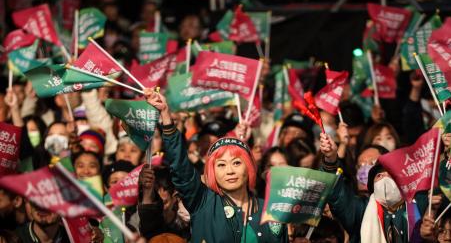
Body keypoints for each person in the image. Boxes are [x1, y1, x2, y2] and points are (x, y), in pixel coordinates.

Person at [144, 88, 288, 243]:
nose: (230, 171)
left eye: (237, 163)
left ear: (249, 167)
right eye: (221, 165)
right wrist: (165, 114)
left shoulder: (271, 212)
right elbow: (180, 166)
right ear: (212, 172)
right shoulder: (202, 202)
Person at [319, 132, 428, 243]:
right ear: (372, 185)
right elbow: (337, 195)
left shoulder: (419, 202)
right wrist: (331, 159)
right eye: (379, 176)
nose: (385, 179)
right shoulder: (360, 209)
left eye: (390, 174)